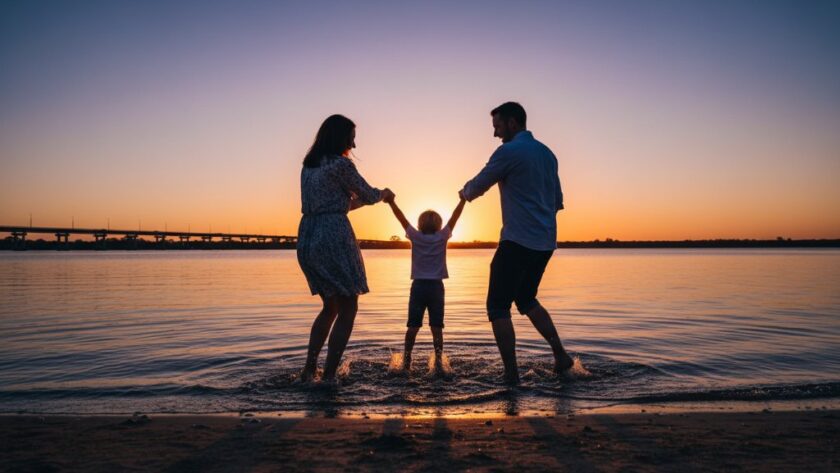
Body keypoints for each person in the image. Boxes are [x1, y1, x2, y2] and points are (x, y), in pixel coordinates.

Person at [459, 101, 572, 384]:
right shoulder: (548, 154)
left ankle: (511, 374)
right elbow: (557, 202)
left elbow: (478, 186)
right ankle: (560, 355)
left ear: (512, 123)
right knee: (525, 298)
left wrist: (464, 192)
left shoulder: (508, 151)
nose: (495, 134)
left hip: (517, 241)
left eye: (497, 127)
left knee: (497, 306)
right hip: (545, 243)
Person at [297, 114, 394, 382]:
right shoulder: (341, 165)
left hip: (308, 235)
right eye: (352, 137)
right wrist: (384, 194)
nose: (355, 144)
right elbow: (370, 194)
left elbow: (337, 203)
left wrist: (361, 201)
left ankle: (308, 371)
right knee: (349, 304)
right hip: (333, 236)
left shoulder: (309, 166)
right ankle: (328, 375)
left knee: (330, 307)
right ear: (341, 137)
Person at [384, 193, 466, 372]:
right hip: (436, 287)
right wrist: (463, 200)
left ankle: (407, 361)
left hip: (419, 287)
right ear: (438, 224)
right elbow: (455, 217)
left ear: (420, 224)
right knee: (437, 327)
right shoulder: (442, 236)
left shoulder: (415, 236)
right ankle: (438, 362)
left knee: (413, 326)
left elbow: (401, 218)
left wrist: (392, 202)